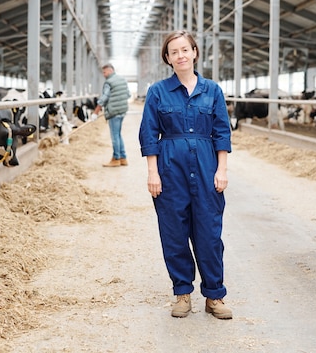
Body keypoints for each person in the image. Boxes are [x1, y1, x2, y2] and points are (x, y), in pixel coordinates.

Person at [138, 30, 233, 319]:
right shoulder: (158, 91)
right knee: (174, 233)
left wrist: (222, 169)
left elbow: (221, 132)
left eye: (185, 50)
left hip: (206, 168)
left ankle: (214, 296)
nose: (180, 55)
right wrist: (153, 173)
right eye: (173, 52)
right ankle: (182, 293)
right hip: (170, 169)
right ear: (167, 58)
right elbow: (149, 133)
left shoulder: (212, 90)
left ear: (194, 52)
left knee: (209, 234)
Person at [91, 63, 130, 167]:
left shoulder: (109, 82)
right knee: (118, 134)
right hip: (122, 111)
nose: (103, 74)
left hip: (114, 112)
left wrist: (95, 112)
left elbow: (104, 98)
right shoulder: (122, 80)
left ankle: (116, 159)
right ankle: (123, 158)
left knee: (115, 136)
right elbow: (128, 94)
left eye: (104, 72)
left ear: (110, 70)